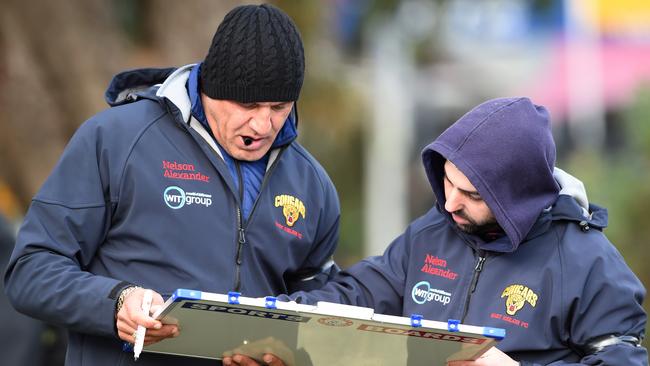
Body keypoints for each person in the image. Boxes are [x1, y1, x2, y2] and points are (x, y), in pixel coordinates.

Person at [4, 4, 341, 366]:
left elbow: (321, 311)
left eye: (279, 107)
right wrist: (115, 302)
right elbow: (31, 270)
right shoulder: (116, 141)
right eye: (248, 104)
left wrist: (292, 352)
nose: (263, 125)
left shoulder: (312, 186)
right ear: (212, 87)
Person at [231, 97, 647, 365]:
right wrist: (269, 322)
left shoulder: (587, 259)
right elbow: (355, 294)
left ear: (516, 195)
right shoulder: (432, 231)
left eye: (471, 193)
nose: (449, 203)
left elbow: (623, 361)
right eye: (447, 181)